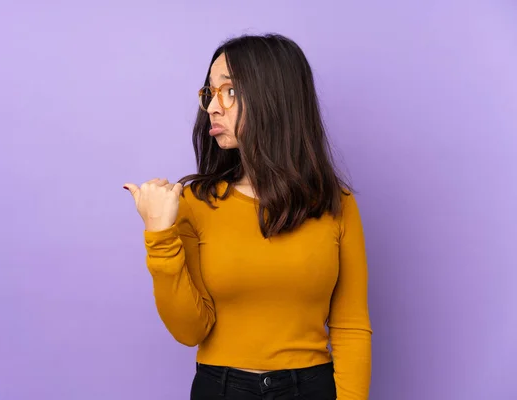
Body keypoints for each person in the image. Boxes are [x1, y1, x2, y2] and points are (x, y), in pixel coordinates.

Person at [124, 33, 372, 400]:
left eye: (231, 91)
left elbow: (350, 326)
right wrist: (159, 236)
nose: (212, 107)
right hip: (221, 388)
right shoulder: (193, 202)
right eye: (210, 92)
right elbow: (190, 331)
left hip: (312, 388)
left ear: (275, 98)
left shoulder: (335, 203)